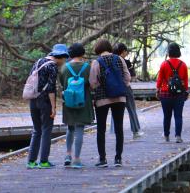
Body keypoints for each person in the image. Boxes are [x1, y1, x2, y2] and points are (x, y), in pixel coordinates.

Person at [26, 43, 68, 169]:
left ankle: (31, 161)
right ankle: (44, 161)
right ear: (60, 57)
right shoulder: (53, 66)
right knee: (46, 131)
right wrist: (54, 107)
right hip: (45, 102)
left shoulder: (38, 62)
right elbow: (51, 89)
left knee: (36, 130)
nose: (64, 61)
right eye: (64, 58)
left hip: (33, 100)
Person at [89, 39, 131, 168]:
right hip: (119, 98)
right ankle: (118, 158)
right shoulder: (119, 59)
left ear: (98, 49)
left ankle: (102, 159)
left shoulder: (96, 62)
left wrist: (100, 87)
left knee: (101, 129)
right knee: (119, 128)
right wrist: (120, 86)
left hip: (102, 99)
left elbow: (92, 81)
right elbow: (127, 77)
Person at [59, 43, 93, 169]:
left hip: (68, 101)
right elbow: (92, 83)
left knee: (70, 128)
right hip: (83, 101)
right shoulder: (87, 67)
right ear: (83, 53)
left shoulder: (64, 67)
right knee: (79, 130)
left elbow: (62, 83)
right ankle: (77, 159)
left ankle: (68, 155)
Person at [155, 42, 189, 143]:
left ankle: (166, 136)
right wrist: (186, 92)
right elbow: (185, 80)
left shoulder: (164, 64)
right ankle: (178, 136)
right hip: (179, 94)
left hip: (165, 93)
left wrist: (157, 90)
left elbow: (160, 79)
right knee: (178, 115)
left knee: (167, 116)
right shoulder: (183, 65)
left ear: (169, 52)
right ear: (178, 51)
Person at [112, 42, 143, 140]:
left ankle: (115, 131)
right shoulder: (126, 62)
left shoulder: (111, 60)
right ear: (123, 51)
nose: (127, 53)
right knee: (131, 109)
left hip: (114, 88)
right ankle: (135, 131)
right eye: (126, 51)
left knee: (116, 111)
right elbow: (131, 77)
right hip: (126, 88)